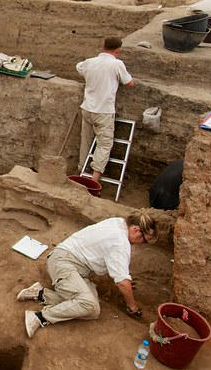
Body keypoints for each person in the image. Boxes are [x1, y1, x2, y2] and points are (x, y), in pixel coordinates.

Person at [18, 210, 157, 338]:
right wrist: (133, 307)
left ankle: (40, 293)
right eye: (143, 240)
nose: (141, 244)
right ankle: (40, 317)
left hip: (72, 265)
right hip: (63, 263)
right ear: (136, 230)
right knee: (87, 304)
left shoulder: (119, 223)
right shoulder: (120, 243)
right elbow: (122, 282)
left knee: (92, 310)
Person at [76, 37, 134, 183]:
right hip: (104, 111)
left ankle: (81, 170)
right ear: (118, 50)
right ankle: (94, 179)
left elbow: (79, 67)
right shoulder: (116, 64)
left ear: (103, 46)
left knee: (86, 140)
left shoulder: (90, 62)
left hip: (87, 108)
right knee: (104, 144)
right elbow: (129, 83)